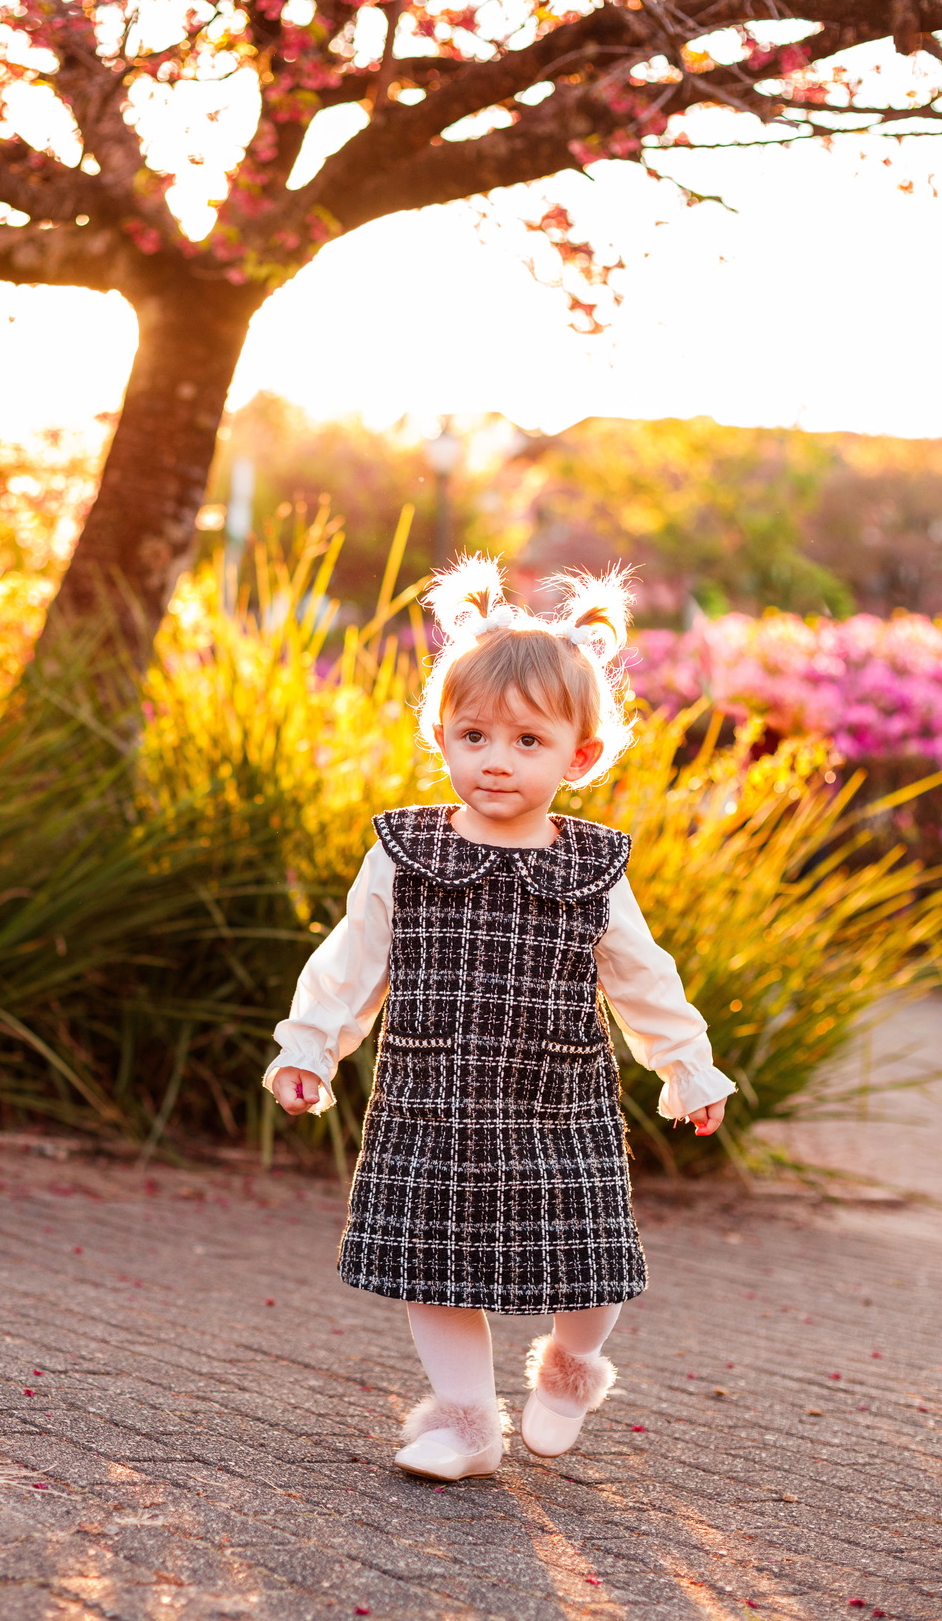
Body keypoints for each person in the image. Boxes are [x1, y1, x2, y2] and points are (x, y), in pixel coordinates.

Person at [265, 555, 736, 1481]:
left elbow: (643, 975)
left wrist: (686, 1065)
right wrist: (309, 1047)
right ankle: (467, 1425)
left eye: (528, 742)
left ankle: (570, 1366)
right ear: (440, 735)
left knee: (593, 1257)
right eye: (473, 734)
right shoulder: (406, 853)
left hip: (559, 1099)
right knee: (433, 1266)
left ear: (581, 756)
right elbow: (351, 962)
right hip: (430, 1102)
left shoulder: (591, 865)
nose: (495, 760)